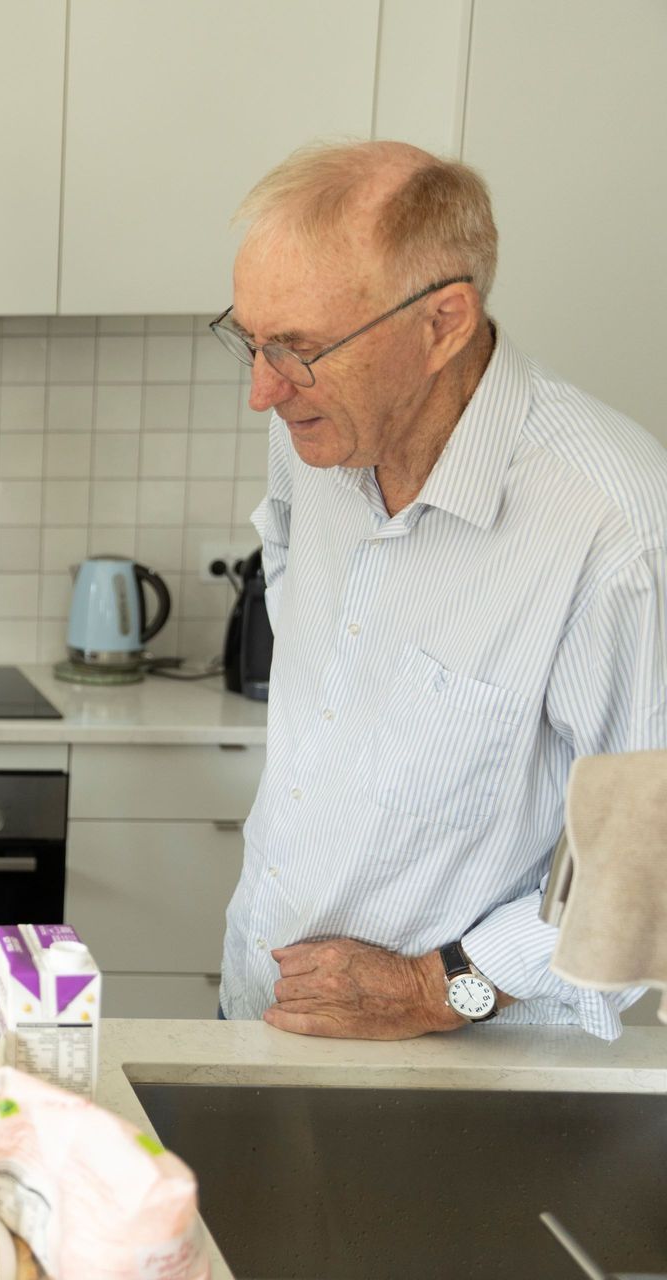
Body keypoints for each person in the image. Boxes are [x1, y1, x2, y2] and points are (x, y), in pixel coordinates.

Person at [212, 140, 667, 1040]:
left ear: (444, 322)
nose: (263, 391)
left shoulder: (613, 527)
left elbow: (637, 874)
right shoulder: (320, 434)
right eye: (250, 340)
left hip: (459, 1070)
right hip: (263, 1006)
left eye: (298, 349)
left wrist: (436, 987)